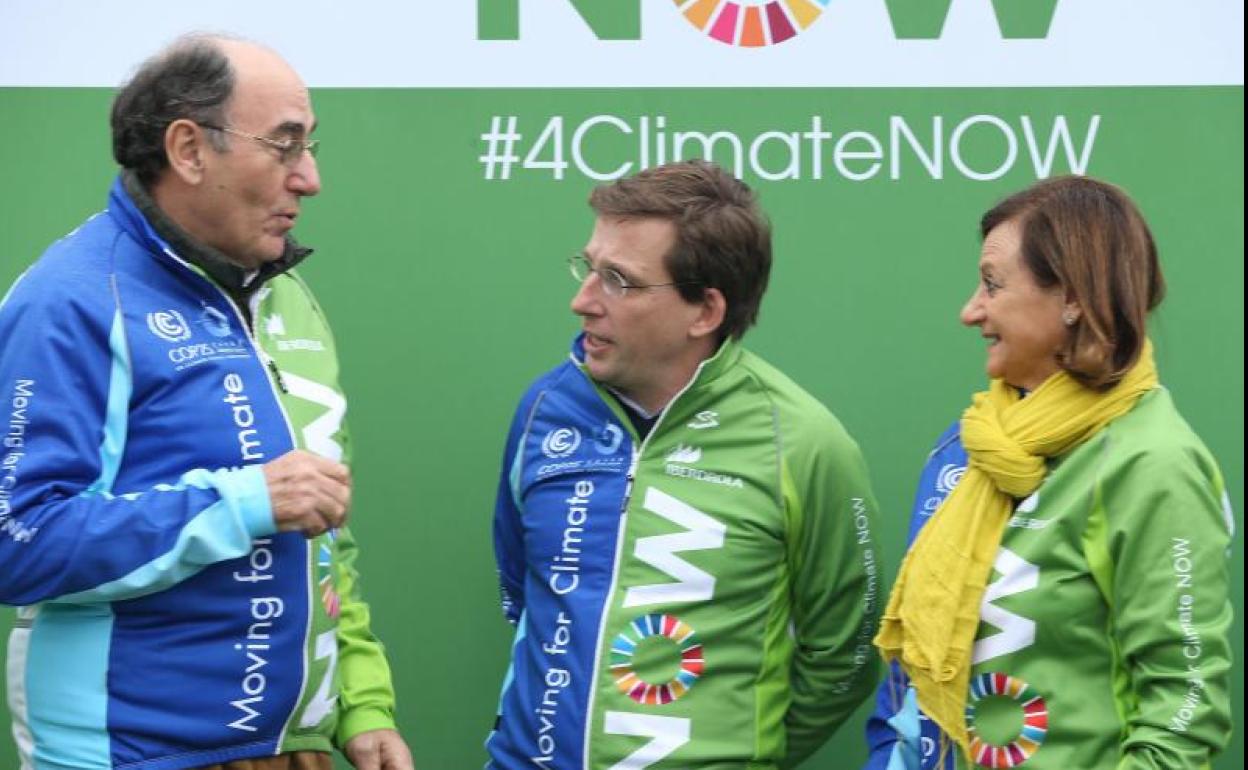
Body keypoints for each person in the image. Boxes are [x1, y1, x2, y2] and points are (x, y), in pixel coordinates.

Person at [0, 35, 414, 770]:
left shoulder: (286, 297)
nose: (310, 178)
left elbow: (322, 529)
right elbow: (18, 543)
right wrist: (242, 502)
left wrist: (360, 700)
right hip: (132, 755)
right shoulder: (69, 301)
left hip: (297, 748)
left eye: (310, 147)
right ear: (189, 151)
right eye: (285, 147)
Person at [486, 159, 881, 769]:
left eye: (619, 280)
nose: (582, 300)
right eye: (588, 268)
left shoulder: (804, 443)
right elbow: (522, 589)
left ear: (705, 311)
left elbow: (845, 656)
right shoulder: (544, 408)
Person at [865, 176, 1233, 769]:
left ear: (1073, 299)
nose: (970, 311)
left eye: (992, 284)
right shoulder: (972, 443)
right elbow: (906, 697)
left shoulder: (1152, 462)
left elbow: (1182, 710)